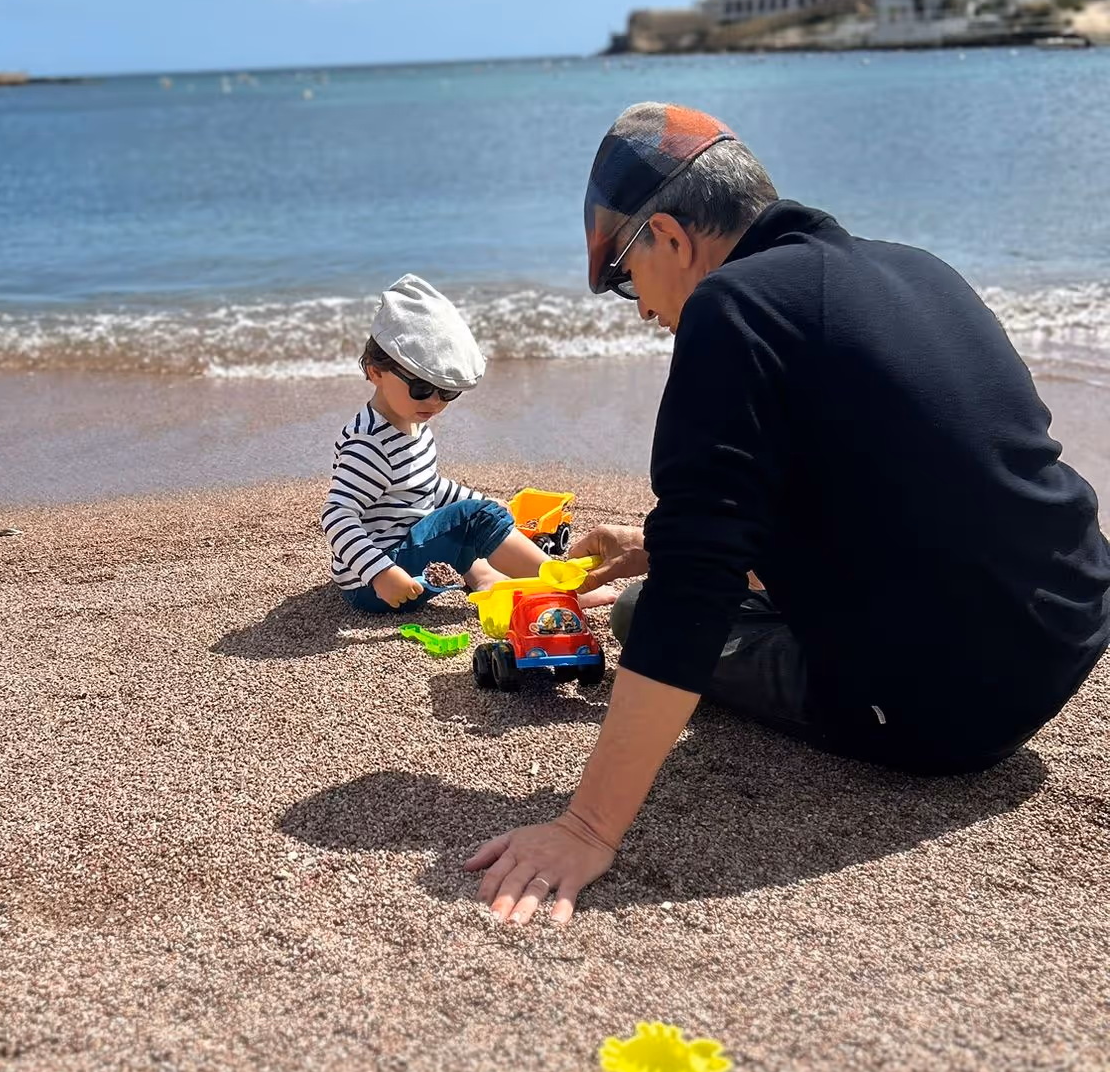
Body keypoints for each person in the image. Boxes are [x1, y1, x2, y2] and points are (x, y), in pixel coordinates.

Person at [469, 101, 1110, 928]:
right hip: (1067, 627)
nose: (638, 308)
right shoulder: (915, 268)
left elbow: (693, 597)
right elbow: (903, 495)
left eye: (625, 275)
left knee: (635, 611)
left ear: (669, 234)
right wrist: (659, 539)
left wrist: (585, 827)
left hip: (955, 706)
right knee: (678, 568)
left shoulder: (731, 309)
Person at [323, 274, 558, 612]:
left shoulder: (413, 424)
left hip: (399, 559)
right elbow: (337, 514)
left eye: (447, 391)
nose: (433, 402)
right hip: (378, 582)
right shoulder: (369, 444)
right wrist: (381, 573)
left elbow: (426, 488)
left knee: (473, 514)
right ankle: (560, 586)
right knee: (474, 520)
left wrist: (481, 500)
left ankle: (483, 576)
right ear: (376, 372)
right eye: (421, 388)